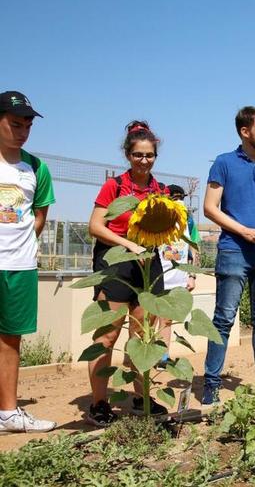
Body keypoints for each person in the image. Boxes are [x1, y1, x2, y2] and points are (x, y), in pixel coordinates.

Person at [202, 106, 255, 404]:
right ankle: (210, 385)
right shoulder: (224, 163)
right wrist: (243, 230)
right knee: (223, 319)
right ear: (245, 131)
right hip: (234, 251)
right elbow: (210, 207)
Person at [87, 121, 169, 426]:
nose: (144, 161)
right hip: (116, 263)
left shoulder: (158, 189)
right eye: (138, 155)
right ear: (128, 154)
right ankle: (99, 403)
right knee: (107, 335)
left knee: (143, 335)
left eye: (149, 155)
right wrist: (127, 245)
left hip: (148, 264)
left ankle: (140, 397)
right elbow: (95, 226)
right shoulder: (115, 186)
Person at [0, 91, 56, 433]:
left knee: (10, 338)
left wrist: (17, 244)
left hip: (20, 265)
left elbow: (39, 215)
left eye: (27, 125)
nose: (22, 131)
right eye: (14, 123)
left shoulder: (36, 167)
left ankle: (7, 413)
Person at [156, 184, 201, 370]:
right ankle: (145, 359)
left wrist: (191, 276)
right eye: (174, 198)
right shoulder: (156, 217)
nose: (179, 202)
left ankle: (162, 358)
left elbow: (194, 246)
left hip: (176, 277)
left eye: (181, 198)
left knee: (166, 320)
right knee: (148, 319)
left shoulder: (188, 220)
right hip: (155, 276)